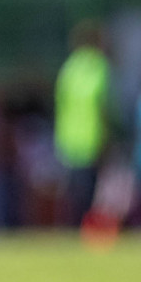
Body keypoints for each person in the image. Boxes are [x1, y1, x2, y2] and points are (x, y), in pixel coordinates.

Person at [54, 21, 110, 224]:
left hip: (68, 137)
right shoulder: (99, 66)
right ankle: (86, 228)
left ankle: (69, 227)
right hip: (92, 136)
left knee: (72, 190)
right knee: (88, 190)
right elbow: (104, 105)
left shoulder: (68, 68)